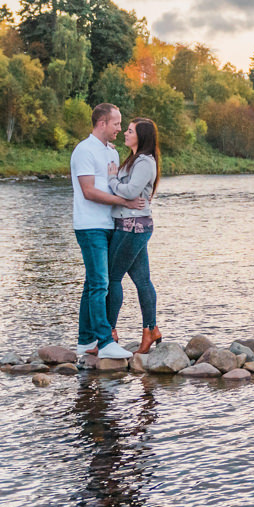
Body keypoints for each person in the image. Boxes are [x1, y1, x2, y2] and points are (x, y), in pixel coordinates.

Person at [70, 103, 144, 360]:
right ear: (102, 123)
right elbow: (89, 191)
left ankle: (84, 340)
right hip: (90, 227)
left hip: (110, 224)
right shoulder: (84, 150)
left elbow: (116, 184)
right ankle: (104, 341)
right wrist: (124, 202)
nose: (119, 128)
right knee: (100, 283)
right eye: (116, 123)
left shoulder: (110, 152)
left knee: (93, 283)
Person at [105, 117, 161, 354]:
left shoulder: (145, 162)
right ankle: (150, 329)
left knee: (113, 277)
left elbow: (130, 191)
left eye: (130, 131)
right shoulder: (135, 160)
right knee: (142, 280)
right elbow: (129, 193)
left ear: (142, 136)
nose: (125, 133)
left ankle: (108, 332)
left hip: (132, 227)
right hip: (133, 225)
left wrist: (112, 179)